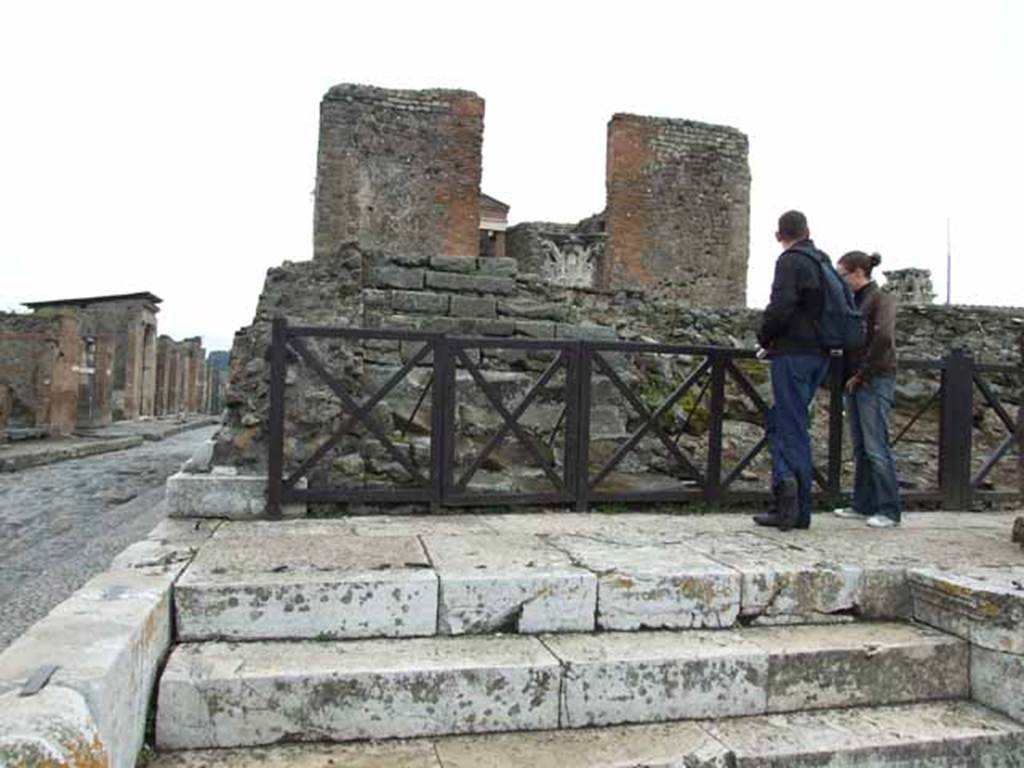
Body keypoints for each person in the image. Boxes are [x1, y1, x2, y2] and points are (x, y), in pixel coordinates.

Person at [753, 210, 831, 531]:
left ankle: (790, 506)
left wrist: (764, 339)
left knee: (789, 427)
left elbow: (781, 307)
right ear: (808, 230)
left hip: (793, 355)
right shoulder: (823, 261)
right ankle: (797, 507)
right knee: (788, 423)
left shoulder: (790, 262)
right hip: (820, 355)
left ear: (778, 236)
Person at [833, 251, 901, 527]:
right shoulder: (855, 300)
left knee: (876, 446)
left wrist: (862, 374)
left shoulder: (881, 298)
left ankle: (889, 509)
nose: (840, 280)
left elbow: (883, 337)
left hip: (873, 378)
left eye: (843, 275)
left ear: (859, 273)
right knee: (861, 446)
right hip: (856, 378)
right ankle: (863, 504)